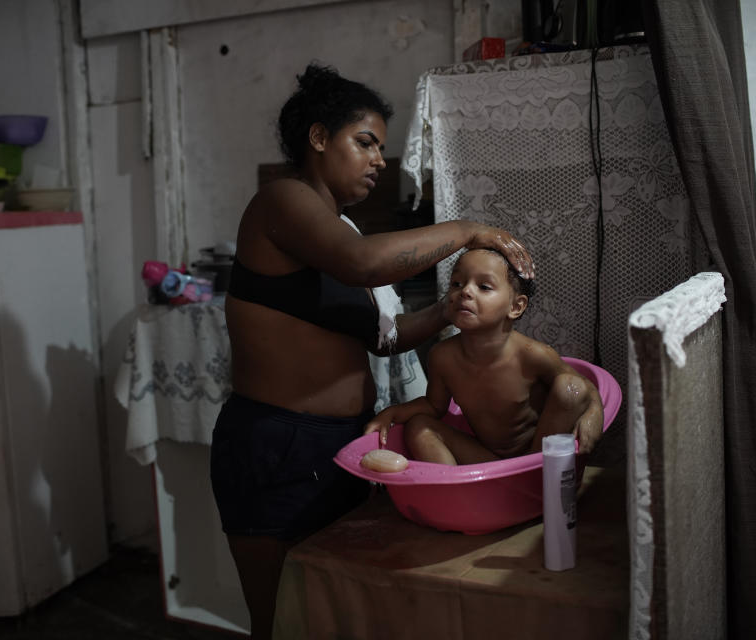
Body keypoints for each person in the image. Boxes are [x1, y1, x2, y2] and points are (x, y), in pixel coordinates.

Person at [208, 63, 535, 639]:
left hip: (345, 442)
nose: (379, 161)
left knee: (339, 612)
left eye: (381, 148)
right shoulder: (282, 202)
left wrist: (453, 308)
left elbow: (384, 338)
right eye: (365, 143)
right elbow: (363, 266)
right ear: (317, 138)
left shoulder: (341, 230)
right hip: (277, 442)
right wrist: (467, 231)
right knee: (283, 618)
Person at [364, 248, 604, 464]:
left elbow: (583, 388)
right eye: (457, 283)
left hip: (538, 456)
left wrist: (594, 416)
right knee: (418, 426)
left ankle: (532, 474)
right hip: (487, 458)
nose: (465, 291)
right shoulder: (443, 357)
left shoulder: (533, 356)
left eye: (484, 287)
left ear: (515, 307)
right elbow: (433, 406)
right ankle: (452, 491)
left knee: (569, 386)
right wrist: (391, 412)